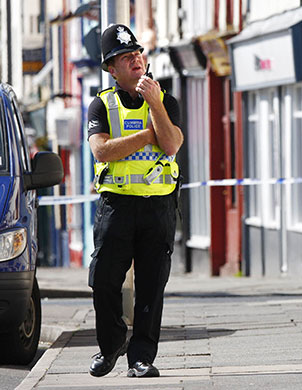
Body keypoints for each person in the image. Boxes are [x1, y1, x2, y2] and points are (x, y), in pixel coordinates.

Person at [86, 24, 183, 378]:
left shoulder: (165, 100)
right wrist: (147, 136)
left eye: (137, 54)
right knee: (104, 280)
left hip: (158, 207)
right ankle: (110, 345)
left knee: (152, 286)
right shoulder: (102, 104)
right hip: (117, 206)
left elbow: (171, 144)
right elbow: (102, 151)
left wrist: (155, 103)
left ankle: (141, 357)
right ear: (112, 68)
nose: (135, 60)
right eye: (126, 57)